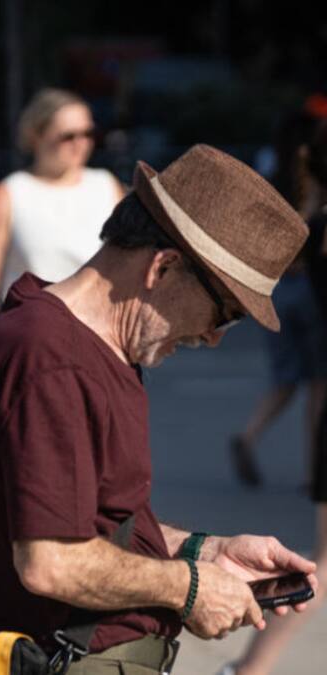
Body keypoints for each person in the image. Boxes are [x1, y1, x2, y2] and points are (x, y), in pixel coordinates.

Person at [0, 144, 318, 674]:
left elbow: (91, 525)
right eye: (226, 312)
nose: (214, 338)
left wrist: (204, 552)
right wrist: (190, 588)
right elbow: (51, 559)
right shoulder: (54, 360)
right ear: (164, 267)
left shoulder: (80, 349)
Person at [220, 120, 327, 675]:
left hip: (288, 292)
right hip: (303, 299)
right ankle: (250, 669)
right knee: (309, 384)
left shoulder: (297, 199)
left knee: (298, 383)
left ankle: (250, 670)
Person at [0, 87, 123, 350]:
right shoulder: (10, 194)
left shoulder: (106, 186)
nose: (80, 143)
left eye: (88, 133)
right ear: (36, 136)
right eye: (68, 135)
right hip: (30, 342)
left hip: (100, 341)